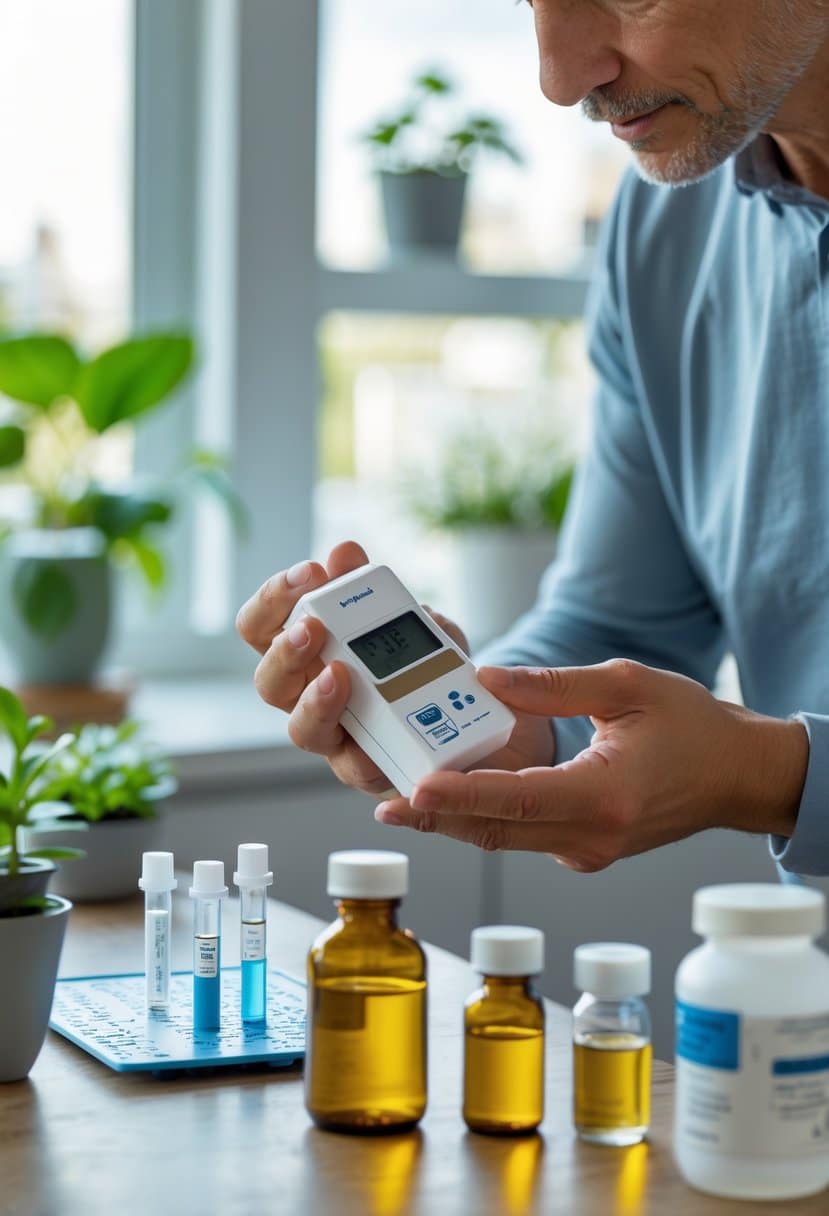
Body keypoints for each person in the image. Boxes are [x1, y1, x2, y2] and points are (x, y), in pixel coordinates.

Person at [238, 1, 829, 876]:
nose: (558, 80)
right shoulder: (666, 220)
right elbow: (622, 619)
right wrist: (507, 718)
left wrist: (770, 774)